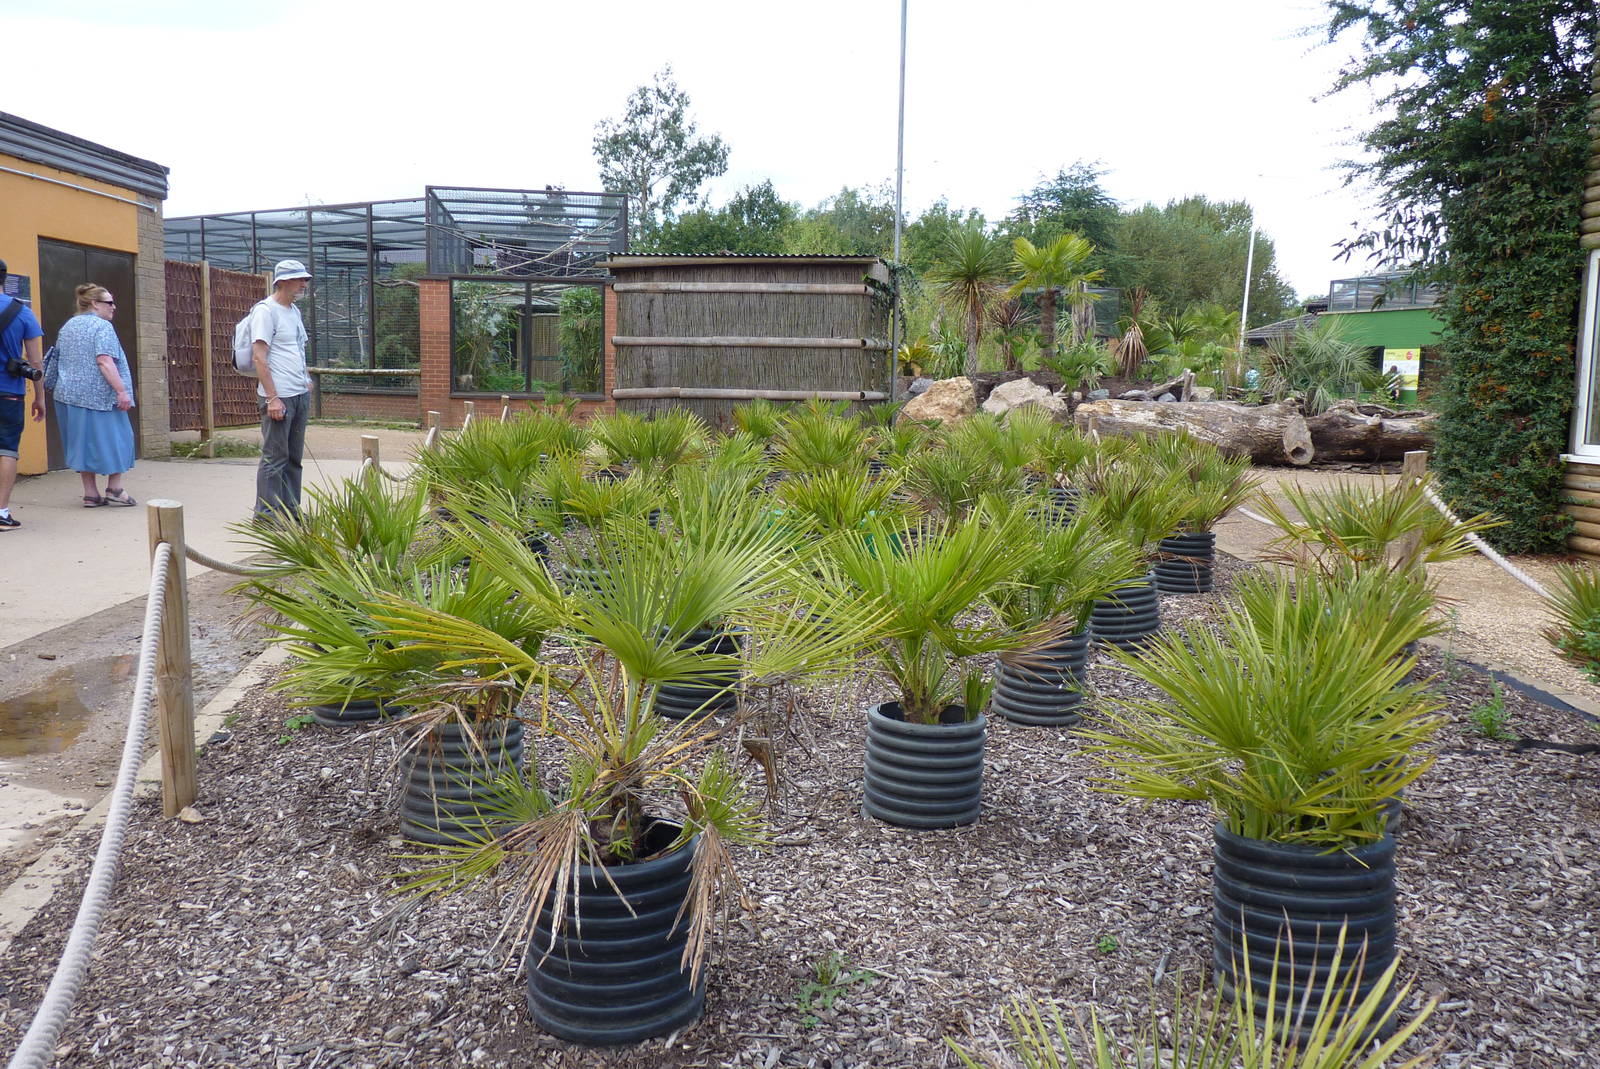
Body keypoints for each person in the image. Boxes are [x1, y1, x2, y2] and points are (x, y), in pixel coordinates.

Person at [52, 283, 137, 507]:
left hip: (68, 395)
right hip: (100, 397)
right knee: (120, 439)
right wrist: (122, 391)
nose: (114, 307)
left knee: (82, 443)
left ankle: (91, 494)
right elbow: (104, 361)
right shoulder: (102, 327)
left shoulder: (68, 326)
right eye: (109, 302)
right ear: (94, 304)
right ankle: (115, 488)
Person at [251, 259, 312, 520]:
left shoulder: (294, 311)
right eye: (299, 279)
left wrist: (305, 377)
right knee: (275, 457)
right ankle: (266, 515)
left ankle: (291, 510)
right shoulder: (266, 311)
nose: (304, 284)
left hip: (299, 392)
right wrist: (272, 397)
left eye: (305, 279)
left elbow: (298, 348)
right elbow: (258, 357)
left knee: (293, 457)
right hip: (279, 395)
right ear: (282, 281)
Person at [0, 259, 46, 530]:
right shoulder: (22, 312)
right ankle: (1, 512)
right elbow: (36, 362)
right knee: (6, 450)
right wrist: (39, 398)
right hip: (10, 393)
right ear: (5, 279)